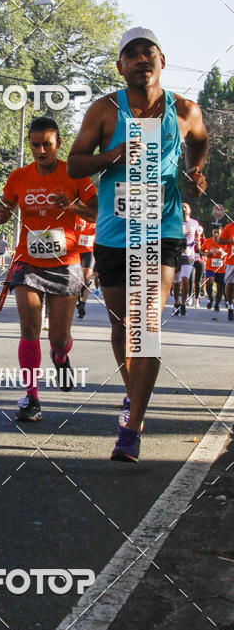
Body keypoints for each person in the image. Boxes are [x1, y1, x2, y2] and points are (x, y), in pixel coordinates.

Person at [67, 27, 208, 462]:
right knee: (122, 327)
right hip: (113, 232)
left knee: (145, 325)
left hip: (161, 230)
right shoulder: (105, 110)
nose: (141, 60)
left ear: (162, 60)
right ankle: (134, 395)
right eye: (131, 55)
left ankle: (132, 428)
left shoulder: (183, 110)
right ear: (120, 67)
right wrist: (112, 156)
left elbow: (199, 140)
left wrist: (194, 171)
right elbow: (73, 164)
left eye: (148, 53)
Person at [0, 116, 98, 422]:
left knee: (58, 337)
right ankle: (31, 397)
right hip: (27, 261)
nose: (41, 150)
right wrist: (1, 213)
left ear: (58, 144)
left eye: (47, 144)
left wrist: (74, 207)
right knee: (29, 329)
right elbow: (4, 210)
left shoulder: (75, 174)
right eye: (35, 144)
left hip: (66, 264)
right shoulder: (18, 177)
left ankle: (61, 355)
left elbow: (97, 211)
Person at [172, 203, 202, 316]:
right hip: (177, 255)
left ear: (190, 209)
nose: (183, 208)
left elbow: (197, 236)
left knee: (185, 281)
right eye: (181, 207)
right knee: (176, 282)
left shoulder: (195, 223)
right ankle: (176, 303)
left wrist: (198, 244)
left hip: (189, 255)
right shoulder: (176, 221)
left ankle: (183, 303)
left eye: (185, 206)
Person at [200, 226, 227, 318]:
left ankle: (217, 304)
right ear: (212, 232)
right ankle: (211, 299)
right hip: (210, 267)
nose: (216, 234)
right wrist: (207, 254)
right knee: (209, 282)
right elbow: (201, 251)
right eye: (214, 232)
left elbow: (230, 252)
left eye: (218, 233)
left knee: (220, 288)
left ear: (221, 233)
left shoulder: (225, 242)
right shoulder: (208, 241)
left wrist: (224, 254)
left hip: (221, 268)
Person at [75, 215, 96, 318]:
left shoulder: (95, 211)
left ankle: (82, 304)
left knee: (86, 277)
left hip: (89, 250)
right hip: (75, 249)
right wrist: (75, 226)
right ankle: (77, 300)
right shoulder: (76, 211)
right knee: (76, 279)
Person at [216, 218, 234, 321]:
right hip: (231, 261)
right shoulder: (229, 227)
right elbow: (220, 241)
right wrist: (230, 241)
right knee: (230, 285)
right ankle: (230, 306)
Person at [192, 224, 205, 308]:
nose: (198, 231)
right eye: (197, 230)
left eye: (200, 230)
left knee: (198, 280)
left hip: (200, 261)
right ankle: (189, 297)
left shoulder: (204, 240)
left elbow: (204, 252)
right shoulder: (191, 239)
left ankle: (197, 299)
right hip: (191, 260)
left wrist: (199, 246)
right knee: (190, 279)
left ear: (202, 232)